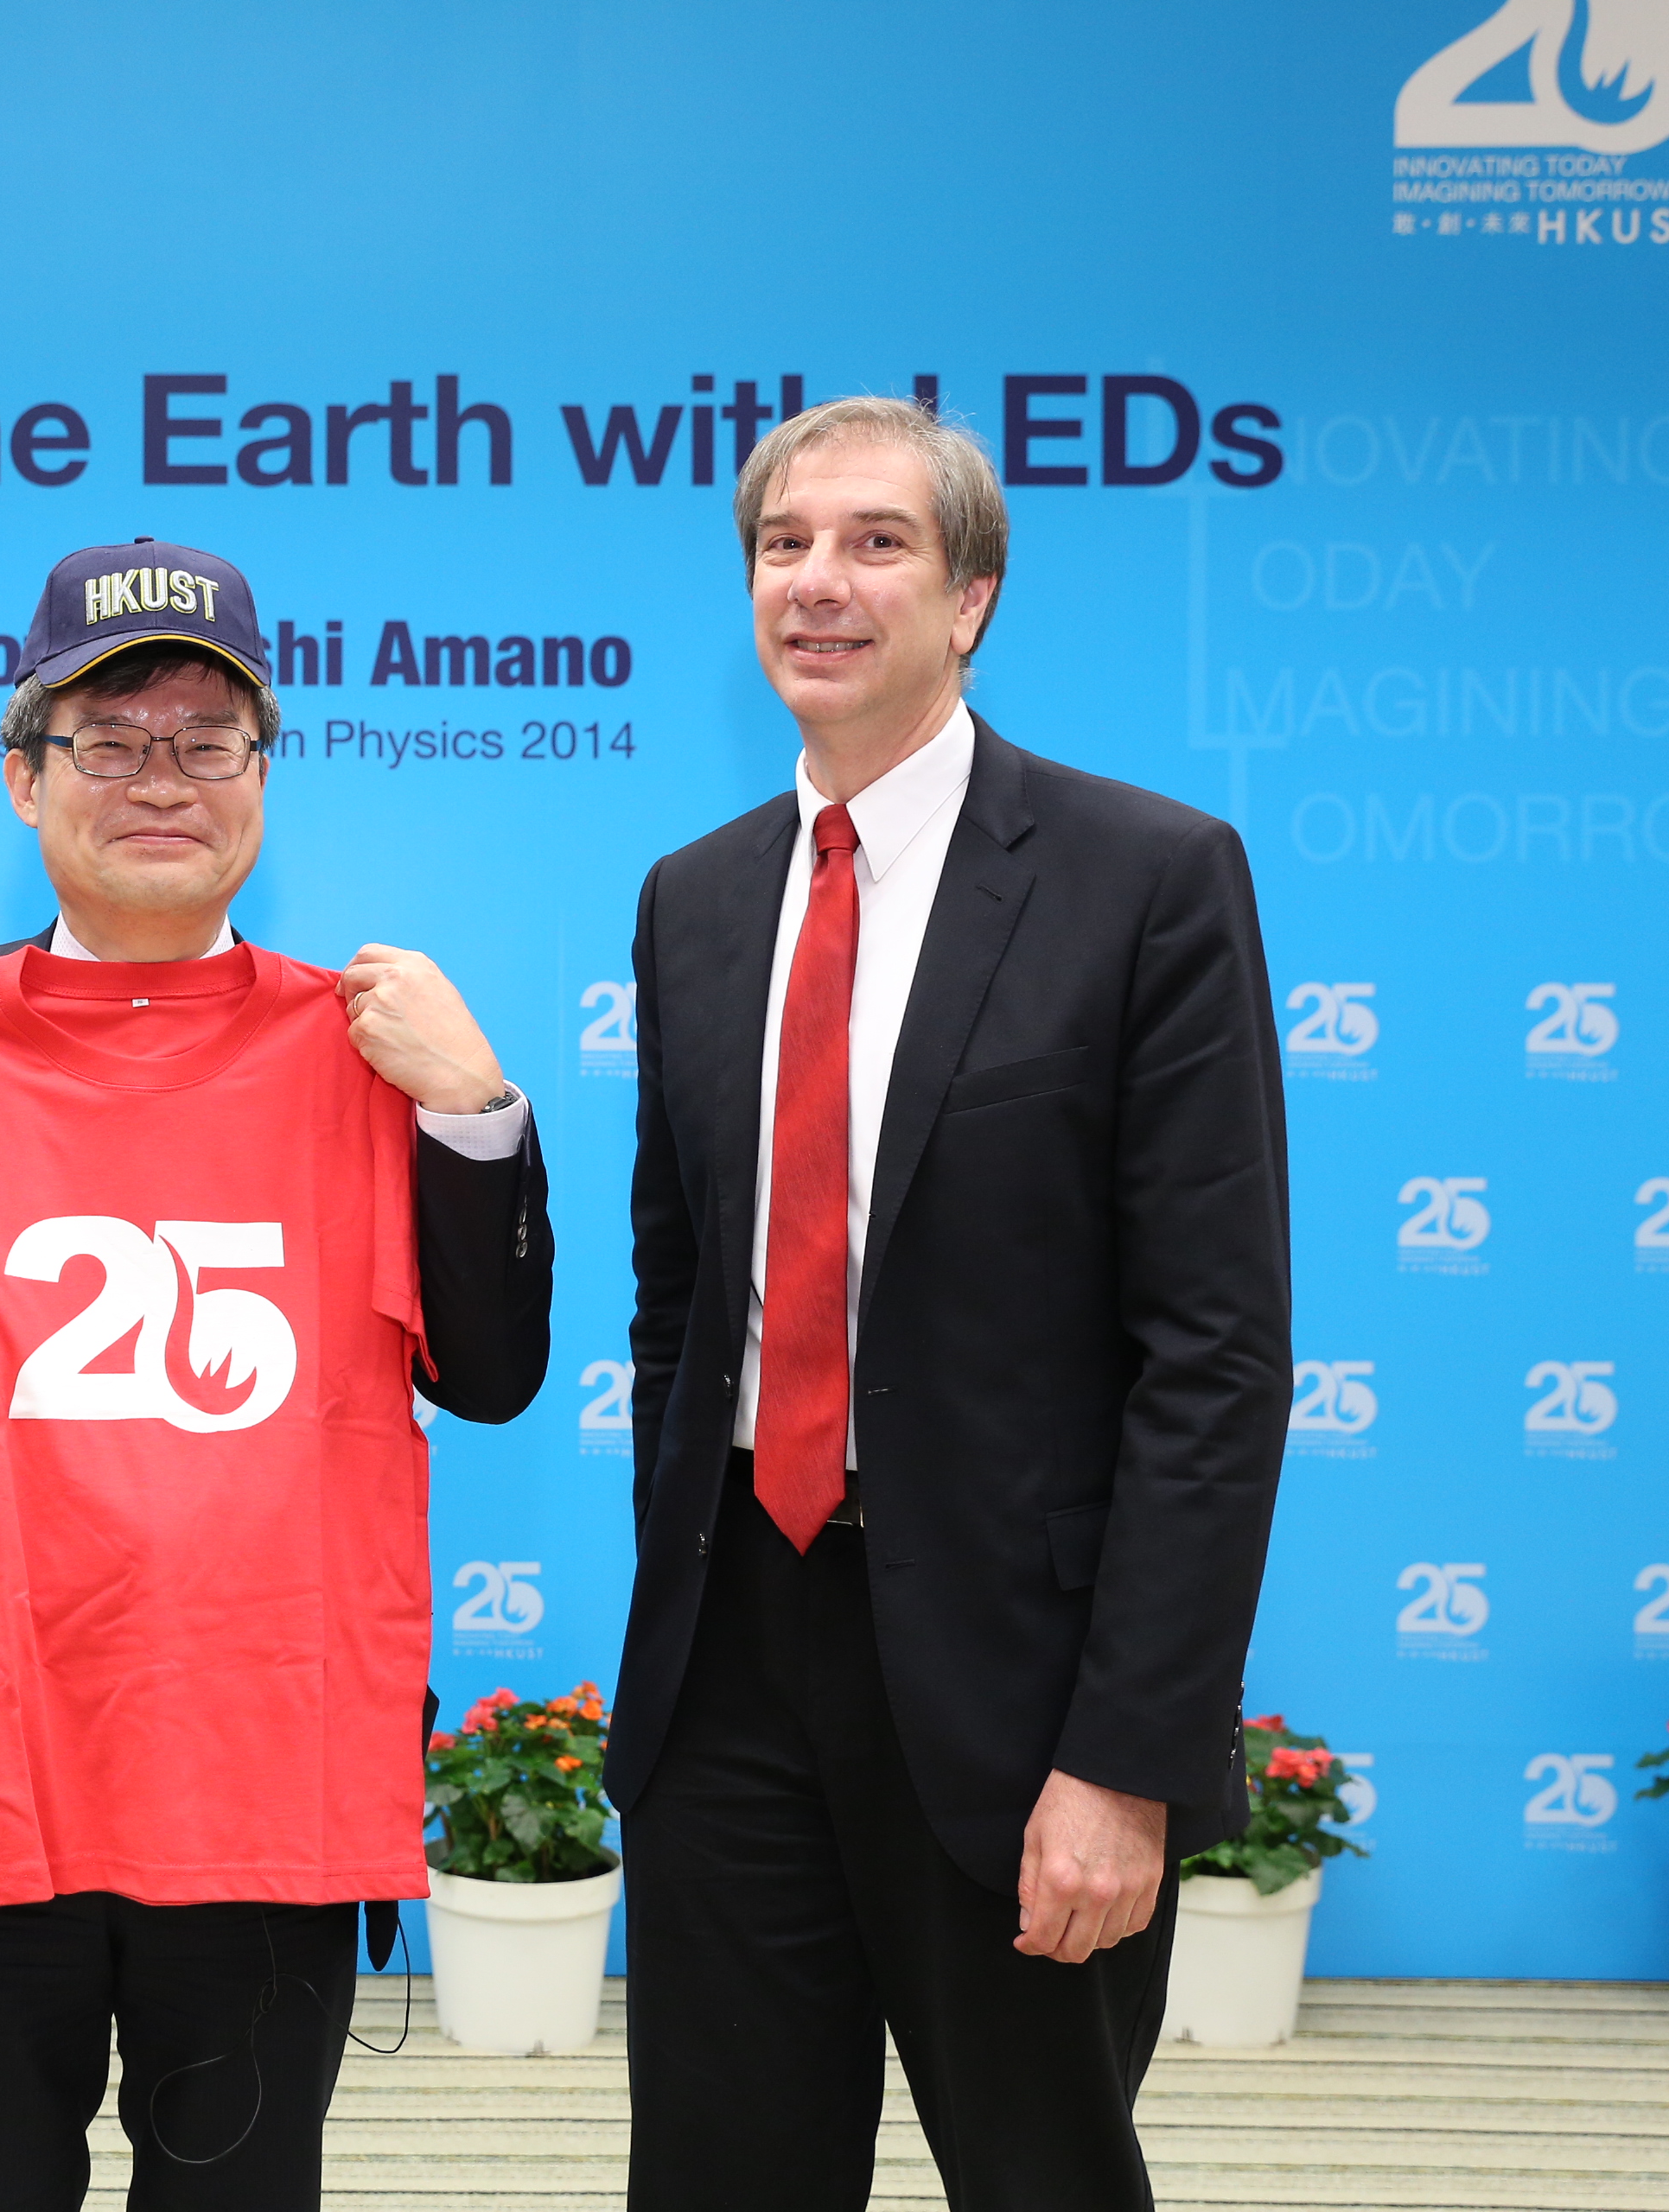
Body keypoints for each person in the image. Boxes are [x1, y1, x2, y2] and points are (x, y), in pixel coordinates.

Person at [0, 538, 553, 2211]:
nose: (162, 777)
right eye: (108, 738)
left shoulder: (382, 1049)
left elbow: (500, 1370)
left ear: (263, 776)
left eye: (206, 738)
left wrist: (475, 1112)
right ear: (22, 777)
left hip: (262, 1784)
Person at [612, 398, 1290, 2209]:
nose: (816, 583)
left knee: (1043, 2173)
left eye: (875, 541)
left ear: (974, 592)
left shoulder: (1147, 878)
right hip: (733, 1665)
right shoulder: (694, 901)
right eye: (782, 544)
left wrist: (1126, 1757)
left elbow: (1213, 1357)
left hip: (1017, 1691)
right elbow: (680, 1310)